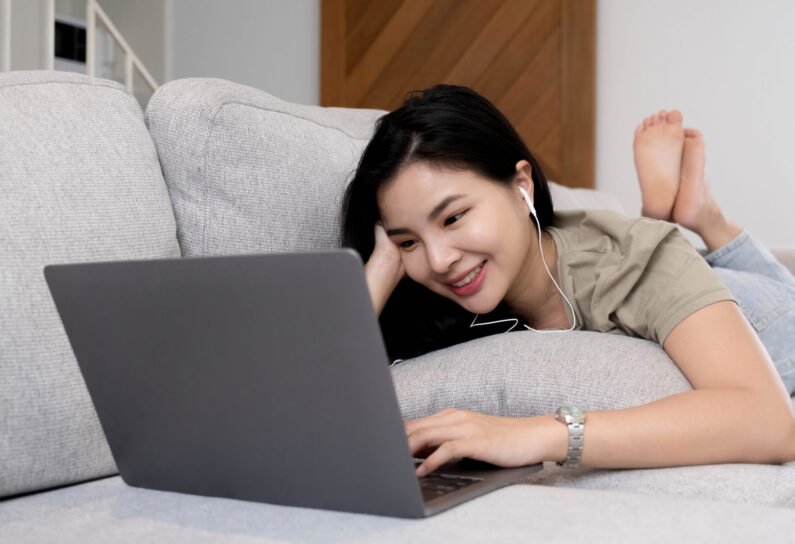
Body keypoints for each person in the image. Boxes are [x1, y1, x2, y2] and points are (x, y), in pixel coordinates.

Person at [340, 84, 795, 477]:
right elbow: (312, 407)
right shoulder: (431, 293)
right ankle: (683, 215)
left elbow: (771, 422)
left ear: (522, 186)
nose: (439, 261)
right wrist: (380, 268)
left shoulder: (631, 261)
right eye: (408, 241)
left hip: (768, 317)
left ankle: (702, 216)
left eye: (454, 217)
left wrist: (538, 434)